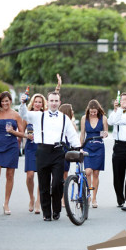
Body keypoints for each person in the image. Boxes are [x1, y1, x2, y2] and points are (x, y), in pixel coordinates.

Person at [19, 91, 80, 221]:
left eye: (56, 101)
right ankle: (46, 213)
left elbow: (72, 135)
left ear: (59, 102)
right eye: (51, 101)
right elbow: (23, 114)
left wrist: (78, 148)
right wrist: (23, 103)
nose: (53, 103)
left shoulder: (64, 118)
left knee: (57, 183)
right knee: (44, 184)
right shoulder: (38, 116)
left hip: (58, 152)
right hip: (42, 151)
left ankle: (56, 210)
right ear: (48, 102)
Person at [0, 84, 24, 215]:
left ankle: (6, 203)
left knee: (10, 175)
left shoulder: (16, 115)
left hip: (11, 146)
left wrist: (13, 131)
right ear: (0, 102)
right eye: (3, 101)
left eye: (7, 101)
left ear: (11, 101)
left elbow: (22, 133)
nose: (5, 103)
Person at [9, 94, 48, 214]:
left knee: (41, 175)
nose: (37, 104)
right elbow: (21, 131)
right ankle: (32, 197)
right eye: (36, 102)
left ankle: (38, 202)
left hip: (43, 147)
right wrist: (23, 139)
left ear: (43, 104)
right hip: (31, 147)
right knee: (30, 175)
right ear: (32, 103)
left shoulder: (45, 116)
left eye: (40, 102)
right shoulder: (28, 115)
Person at [107, 92, 126, 207]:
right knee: (118, 174)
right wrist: (119, 109)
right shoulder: (115, 112)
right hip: (119, 145)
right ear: (120, 101)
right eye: (123, 99)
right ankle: (120, 199)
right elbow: (111, 122)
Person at [80, 100, 108, 208]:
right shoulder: (84, 118)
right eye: (91, 112)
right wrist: (80, 147)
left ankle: (94, 198)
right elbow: (82, 134)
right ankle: (88, 195)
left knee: (96, 173)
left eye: (94, 112)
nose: (93, 114)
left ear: (98, 110)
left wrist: (105, 134)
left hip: (99, 147)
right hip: (87, 146)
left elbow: (105, 132)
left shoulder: (103, 118)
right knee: (88, 171)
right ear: (88, 110)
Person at [59, 103, 77, 207]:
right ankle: (58, 196)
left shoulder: (72, 124)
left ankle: (63, 198)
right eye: (71, 110)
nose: (73, 112)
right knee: (57, 174)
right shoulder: (59, 123)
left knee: (65, 174)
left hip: (67, 150)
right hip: (58, 149)